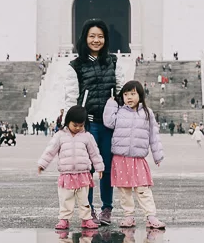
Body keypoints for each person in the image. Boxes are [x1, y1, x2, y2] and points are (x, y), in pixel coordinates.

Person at [64, 19, 125, 226]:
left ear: (105, 38)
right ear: (85, 38)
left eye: (100, 36)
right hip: (88, 125)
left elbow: (120, 89)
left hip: (108, 124)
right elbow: (71, 95)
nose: (96, 40)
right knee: (87, 167)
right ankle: (87, 210)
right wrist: (71, 122)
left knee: (107, 167)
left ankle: (107, 208)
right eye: (92, 36)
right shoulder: (76, 65)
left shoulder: (113, 61)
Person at [103, 80, 165, 229]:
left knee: (143, 189)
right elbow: (108, 122)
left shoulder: (147, 113)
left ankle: (150, 216)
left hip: (138, 158)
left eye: (132, 93)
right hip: (120, 158)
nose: (129, 97)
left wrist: (157, 155)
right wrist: (111, 103)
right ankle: (129, 216)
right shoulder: (119, 111)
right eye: (125, 94)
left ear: (140, 95)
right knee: (124, 191)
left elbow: (153, 135)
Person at [37, 105, 104, 231]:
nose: (78, 128)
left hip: (83, 173)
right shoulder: (60, 136)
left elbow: (94, 153)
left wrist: (99, 167)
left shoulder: (87, 136)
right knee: (66, 198)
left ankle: (86, 219)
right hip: (66, 174)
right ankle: (64, 219)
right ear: (68, 122)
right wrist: (42, 164)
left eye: (81, 125)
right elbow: (50, 151)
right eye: (75, 125)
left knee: (84, 199)